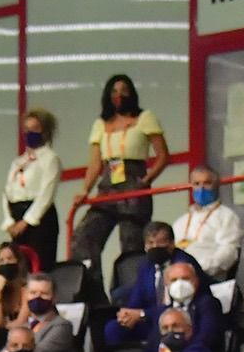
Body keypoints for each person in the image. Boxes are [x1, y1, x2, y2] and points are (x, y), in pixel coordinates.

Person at [71, 74, 170, 272]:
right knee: (84, 236)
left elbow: (163, 155)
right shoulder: (100, 124)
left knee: (131, 242)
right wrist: (84, 190)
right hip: (107, 185)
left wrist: (147, 179)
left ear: (131, 94)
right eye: (114, 91)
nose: (119, 95)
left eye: (124, 91)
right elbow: (95, 164)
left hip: (133, 181)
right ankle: (94, 292)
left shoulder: (144, 118)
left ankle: (128, 293)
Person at [102, 221, 198, 345]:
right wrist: (127, 314)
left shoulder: (183, 265)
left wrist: (142, 314)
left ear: (172, 244)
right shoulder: (146, 266)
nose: (155, 246)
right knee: (113, 328)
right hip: (151, 319)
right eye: (150, 243)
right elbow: (136, 300)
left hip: (176, 321)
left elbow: (180, 307)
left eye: (160, 242)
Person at [1, 107, 61, 271]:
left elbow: (46, 194)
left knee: (38, 266)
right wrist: (8, 221)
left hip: (39, 219)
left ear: (45, 132)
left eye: (35, 129)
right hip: (17, 214)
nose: (29, 134)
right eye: (26, 130)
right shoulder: (18, 161)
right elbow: (7, 191)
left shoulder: (50, 158)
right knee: (19, 268)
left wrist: (27, 221)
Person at [171, 165, 243, 282]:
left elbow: (228, 253)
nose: (201, 188)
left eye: (207, 183)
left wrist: (197, 268)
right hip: (176, 278)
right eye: (196, 184)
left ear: (216, 186)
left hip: (208, 277)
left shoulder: (226, 216)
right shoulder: (180, 221)